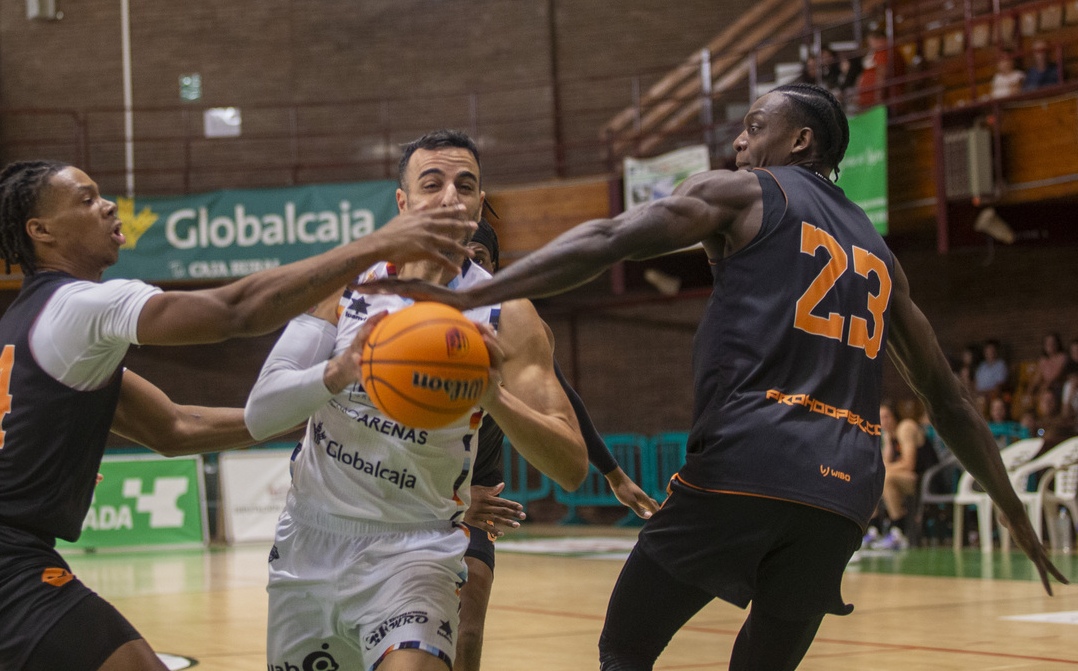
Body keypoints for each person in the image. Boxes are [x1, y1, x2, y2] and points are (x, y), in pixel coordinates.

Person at [360, 83, 1066, 670]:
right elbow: (950, 400)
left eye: (757, 126)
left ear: (800, 143)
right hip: (847, 492)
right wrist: (1011, 506)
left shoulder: (746, 192)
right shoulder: (881, 253)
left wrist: (471, 297)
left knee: (625, 645)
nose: (740, 142)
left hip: (749, 463)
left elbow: (610, 239)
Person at [0, 159, 475, 671]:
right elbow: (232, 311)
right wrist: (371, 246)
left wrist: (311, 411)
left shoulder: (41, 319)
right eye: (86, 200)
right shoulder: (82, 305)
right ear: (42, 231)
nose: (108, 205)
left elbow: (175, 429)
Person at [242, 130, 589, 671]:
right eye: (433, 183)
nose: (450, 196)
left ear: (479, 205)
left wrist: (493, 395)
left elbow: (570, 466)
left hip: (418, 547)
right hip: (311, 538)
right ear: (402, 202)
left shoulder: (510, 316)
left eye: (465, 185)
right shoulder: (344, 285)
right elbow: (261, 412)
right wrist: (339, 370)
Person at [455, 219, 659, 671]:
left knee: (467, 634)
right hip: (410, 498)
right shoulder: (405, 323)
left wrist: (614, 474)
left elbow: (564, 403)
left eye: (480, 259)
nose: (469, 267)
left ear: (496, 268)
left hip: (480, 491)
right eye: (460, 256)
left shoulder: (513, 326)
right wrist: (444, 500)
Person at [867, 400, 938, 550]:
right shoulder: (889, 436)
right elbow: (885, 464)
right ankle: (873, 529)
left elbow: (908, 464)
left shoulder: (905, 427)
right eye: (880, 418)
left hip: (928, 480)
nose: (883, 421)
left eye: (886, 416)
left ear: (894, 416)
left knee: (886, 478)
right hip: (910, 480)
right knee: (872, 478)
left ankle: (898, 531)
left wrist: (883, 470)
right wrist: (886, 440)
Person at [1030, 332, 1068, 397]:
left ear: (1057, 344)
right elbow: (1038, 376)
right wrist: (1031, 388)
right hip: (1045, 387)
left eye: (1053, 343)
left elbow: (1057, 375)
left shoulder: (1062, 357)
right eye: (1048, 343)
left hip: (1058, 387)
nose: (1051, 345)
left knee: (1047, 392)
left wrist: (1046, 385)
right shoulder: (1043, 360)